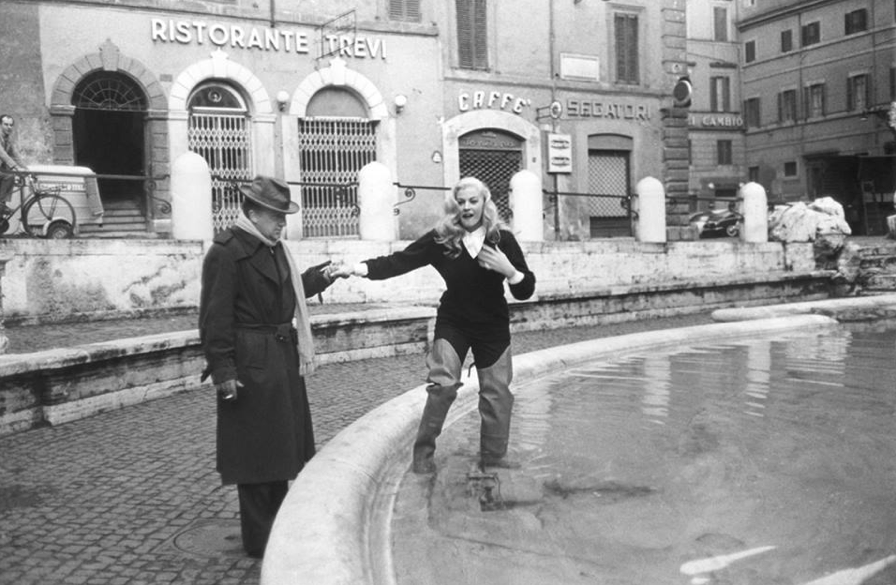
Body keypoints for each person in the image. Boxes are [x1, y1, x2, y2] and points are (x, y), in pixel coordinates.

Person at [335, 176, 536, 474]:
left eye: (473, 201)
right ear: (454, 205)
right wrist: (356, 268)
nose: (467, 207)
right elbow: (400, 261)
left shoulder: (500, 239)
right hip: (454, 321)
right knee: (443, 385)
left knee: (497, 395)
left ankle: (492, 462)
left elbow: (525, 289)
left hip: (492, 326)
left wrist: (509, 270)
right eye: (461, 202)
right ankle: (423, 457)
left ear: (485, 202)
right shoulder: (442, 238)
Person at [199, 175, 341, 558]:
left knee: (277, 455)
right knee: (256, 459)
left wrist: (321, 277)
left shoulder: (272, 246)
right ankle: (262, 545)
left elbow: (284, 293)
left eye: (283, 215)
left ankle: (277, 532)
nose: (282, 223)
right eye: (275, 215)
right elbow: (215, 318)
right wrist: (224, 371)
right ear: (252, 212)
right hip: (251, 363)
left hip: (279, 357)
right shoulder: (226, 252)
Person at [0, 114, 26, 215]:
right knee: (9, 176)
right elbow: (2, 154)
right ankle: (1, 206)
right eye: (6, 124)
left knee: (8, 176)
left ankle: (1, 208)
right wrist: (15, 167)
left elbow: (15, 156)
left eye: (11, 125)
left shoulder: (8, 139)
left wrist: (26, 169)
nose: (9, 127)